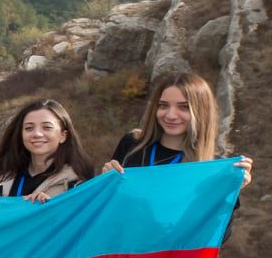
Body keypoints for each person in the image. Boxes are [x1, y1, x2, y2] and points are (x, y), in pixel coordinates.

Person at [102, 71, 254, 188]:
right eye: (163, 105)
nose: (170, 115)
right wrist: (105, 181)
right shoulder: (131, 144)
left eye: (184, 107)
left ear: (202, 112)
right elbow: (107, 205)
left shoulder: (212, 168)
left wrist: (232, 190)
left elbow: (212, 220)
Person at [0, 98, 95, 202]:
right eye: (29, 128)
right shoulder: (0, 176)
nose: (37, 134)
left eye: (47, 127)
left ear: (63, 135)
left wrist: (51, 207)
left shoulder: (78, 183)